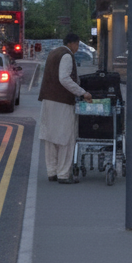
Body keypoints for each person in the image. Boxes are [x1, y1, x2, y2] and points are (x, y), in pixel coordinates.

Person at [37, 32, 92, 184]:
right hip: (62, 101)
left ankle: (52, 172)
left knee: (51, 138)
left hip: (48, 100)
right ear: (72, 43)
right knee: (66, 138)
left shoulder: (53, 53)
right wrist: (83, 92)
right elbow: (64, 78)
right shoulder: (67, 55)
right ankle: (63, 174)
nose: (77, 48)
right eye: (77, 45)